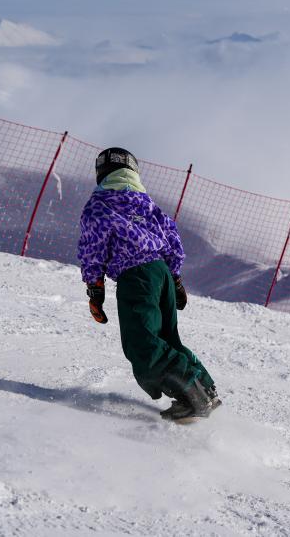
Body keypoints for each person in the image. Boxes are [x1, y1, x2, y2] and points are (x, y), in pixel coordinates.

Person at [77, 147, 220, 421]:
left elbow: (93, 247)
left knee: (142, 342)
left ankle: (192, 396)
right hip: (161, 272)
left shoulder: (100, 204)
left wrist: (95, 288)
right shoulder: (146, 204)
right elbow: (172, 236)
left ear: (101, 173)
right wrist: (175, 278)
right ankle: (205, 389)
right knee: (167, 338)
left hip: (136, 275)